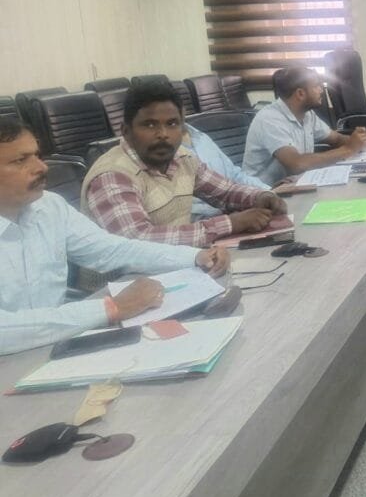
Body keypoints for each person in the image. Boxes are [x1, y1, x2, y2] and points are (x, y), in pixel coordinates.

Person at [0, 116, 230, 355]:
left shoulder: (49, 206)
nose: (41, 167)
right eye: (20, 160)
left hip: (53, 345)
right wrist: (111, 308)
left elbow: (112, 250)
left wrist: (195, 257)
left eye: (37, 155)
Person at [83, 82, 287, 246]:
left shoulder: (181, 158)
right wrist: (230, 223)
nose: (163, 134)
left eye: (172, 124)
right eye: (150, 124)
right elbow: (137, 241)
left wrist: (260, 196)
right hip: (124, 282)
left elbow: (225, 192)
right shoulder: (112, 175)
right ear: (126, 131)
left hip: (175, 267)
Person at [243, 66, 366, 185]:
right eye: (316, 86)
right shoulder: (270, 119)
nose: (321, 90)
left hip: (294, 184)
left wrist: (357, 140)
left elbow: (336, 139)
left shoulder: (307, 114)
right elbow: (296, 164)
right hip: (263, 193)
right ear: (300, 94)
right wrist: (348, 149)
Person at [183, 124, 271, 220]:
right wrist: (232, 221)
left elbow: (229, 185)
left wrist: (265, 193)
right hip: (204, 223)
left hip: (230, 215)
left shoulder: (200, 137)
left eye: (173, 123)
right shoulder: (175, 155)